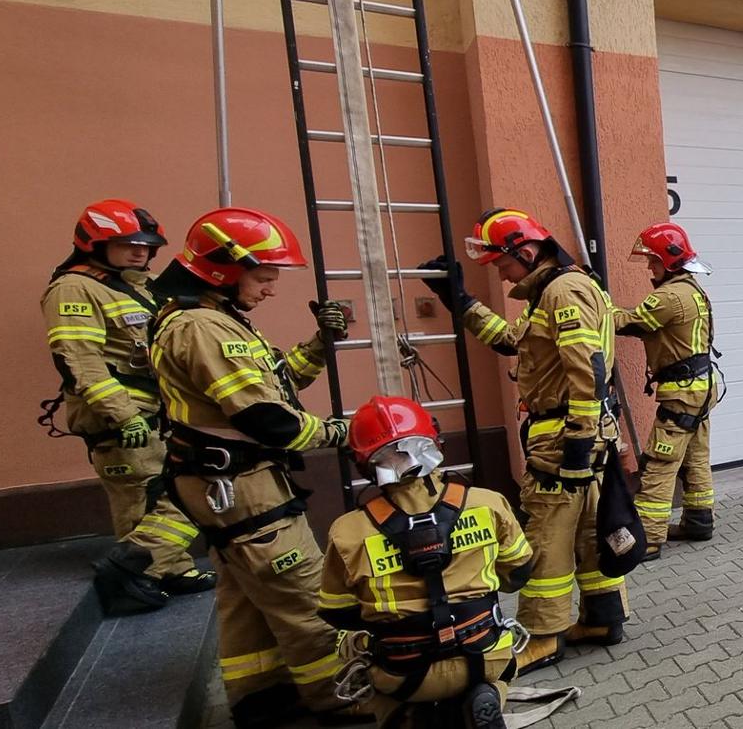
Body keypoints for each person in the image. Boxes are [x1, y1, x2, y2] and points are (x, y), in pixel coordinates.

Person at [147, 207, 365, 727]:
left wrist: (319, 343)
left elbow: (276, 383)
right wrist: (346, 432)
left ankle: (260, 697)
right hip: (244, 488)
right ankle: (337, 695)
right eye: (264, 277)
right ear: (225, 270)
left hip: (223, 485)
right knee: (306, 596)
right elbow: (271, 420)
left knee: (245, 600)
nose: (270, 289)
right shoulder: (204, 327)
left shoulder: (211, 321)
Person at [415, 208, 625, 674]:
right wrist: (460, 300)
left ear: (526, 252)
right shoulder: (554, 291)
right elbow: (513, 342)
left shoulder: (563, 292)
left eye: (501, 263)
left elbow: (586, 368)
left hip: (565, 435)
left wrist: (576, 440)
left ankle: (544, 636)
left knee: (546, 538)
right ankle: (603, 617)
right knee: (590, 532)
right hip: (584, 433)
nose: (500, 272)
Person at [318, 395, 534, 728]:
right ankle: (490, 695)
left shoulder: (347, 532)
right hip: (485, 655)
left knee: (350, 647)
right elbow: (518, 574)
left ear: (362, 463)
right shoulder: (488, 504)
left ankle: (404, 717)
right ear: (434, 442)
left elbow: (339, 612)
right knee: (503, 664)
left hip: (403, 673)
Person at [39, 200, 213, 614]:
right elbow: (79, 359)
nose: (141, 252)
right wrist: (124, 415)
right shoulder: (72, 289)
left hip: (159, 409)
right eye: (127, 244)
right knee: (140, 494)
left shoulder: (136, 283)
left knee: (167, 491)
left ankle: (172, 566)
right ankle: (134, 580)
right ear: (93, 245)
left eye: (146, 245)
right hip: (121, 416)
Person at [613, 222, 718, 557]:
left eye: (653, 261)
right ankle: (699, 521)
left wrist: (595, 306)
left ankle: (648, 539)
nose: (649, 268)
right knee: (696, 457)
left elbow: (630, 322)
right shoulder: (692, 288)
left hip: (681, 392)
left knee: (661, 462)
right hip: (701, 388)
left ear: (670, 261)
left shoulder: (669, 296)